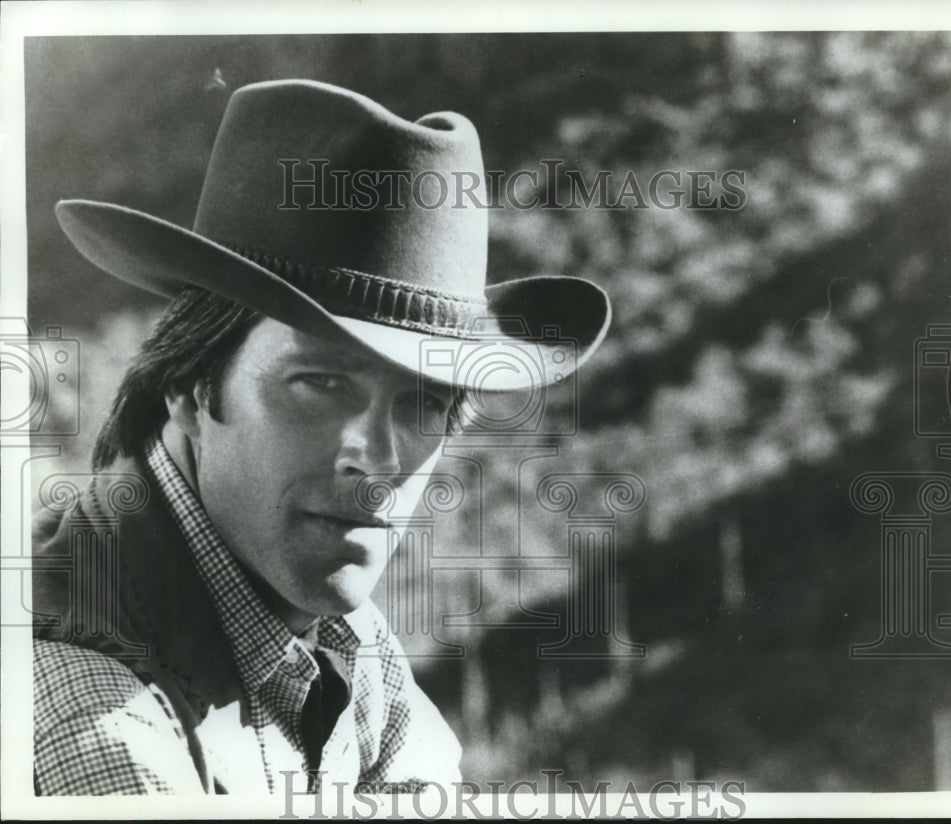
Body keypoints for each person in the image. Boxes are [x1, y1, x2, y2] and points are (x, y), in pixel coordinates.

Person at [31, 79, 610, 795]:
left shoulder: (334, 633)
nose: (377, 458)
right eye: (320, 384)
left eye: (423, 402)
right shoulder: (96, 714)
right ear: (187, 385)